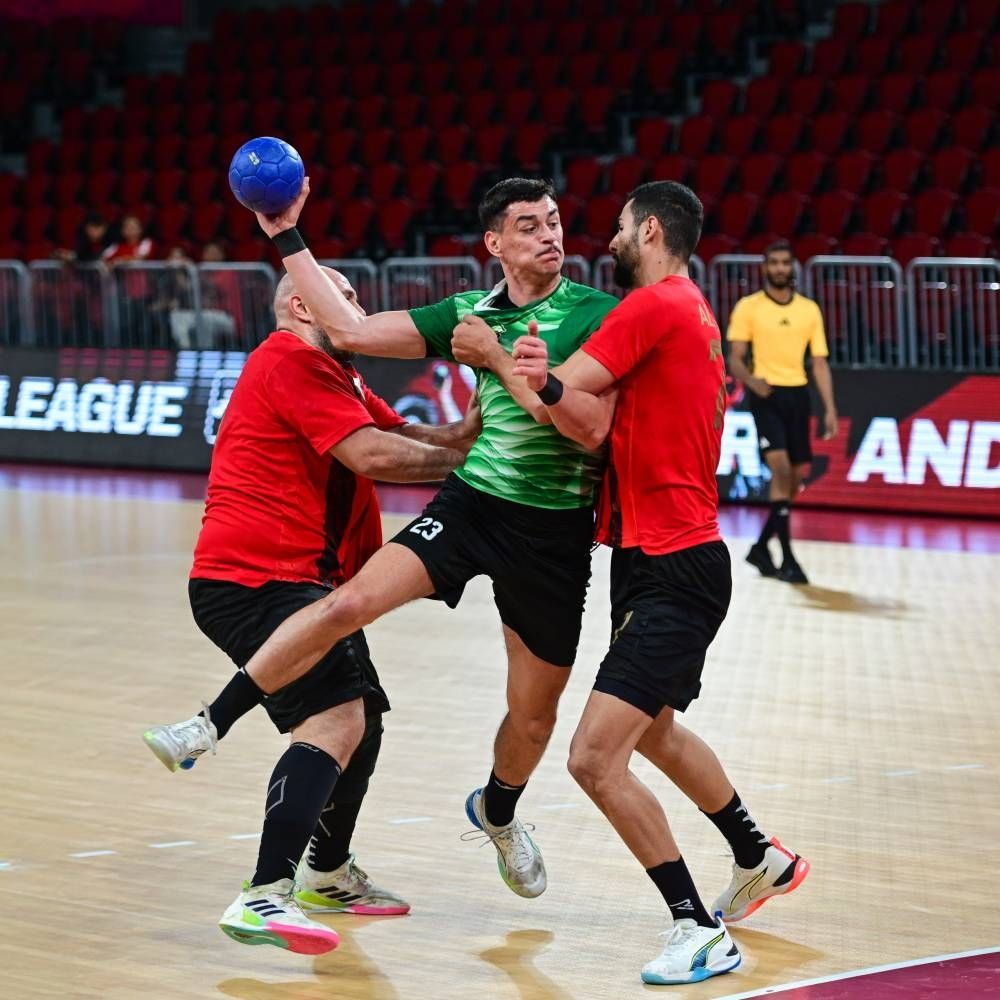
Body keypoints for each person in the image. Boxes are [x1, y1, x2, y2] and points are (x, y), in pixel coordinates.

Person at [145, 176, 619, 899]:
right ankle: (212, 732)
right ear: (494, 242)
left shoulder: (597, 314)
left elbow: (584, 429)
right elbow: (355, 346)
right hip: (465, 508)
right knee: (348, 616)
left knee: (528, 716)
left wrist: (473, 408)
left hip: (552, 533)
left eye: (554, 220)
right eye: (530, 224)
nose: (550, 234)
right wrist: (285, 234)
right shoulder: (449, 317)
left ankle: (492, 814)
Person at [509, 182, 810, 986]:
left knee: (592, 758)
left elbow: (559, 393)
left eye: (617, 227)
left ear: (648, 230)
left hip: (673, 566)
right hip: (663, 558)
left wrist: (515, 363)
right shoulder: (694, 309)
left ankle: (698, 929)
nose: (607, 238)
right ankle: (757, 855)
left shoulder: (653, 304)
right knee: (654, 732)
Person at [143, 266, 477, 953]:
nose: (358, 309)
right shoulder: (290, 360)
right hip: (257, 579)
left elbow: (411, 434)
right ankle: (264, 894)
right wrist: (488, 468)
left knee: (364, 717)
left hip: (301, 583)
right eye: (345, 297)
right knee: (335, 719)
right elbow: (375, 454)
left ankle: (326, 872)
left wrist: (475, 431)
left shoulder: (336, 372)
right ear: (302, 305)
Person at [726, 240, 838, 584]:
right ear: (765, 268)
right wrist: (751, 381)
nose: (779, 268)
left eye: (784, 263)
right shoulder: (749, 307)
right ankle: (788, 557)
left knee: (795, 475)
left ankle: (761, 547)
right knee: (781, 469)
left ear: (792, 267)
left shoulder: (809, 310)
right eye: (773, 262)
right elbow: (735, 359)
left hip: (798, 394)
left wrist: (830, 408)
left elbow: (819, 363)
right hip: (767, 395)